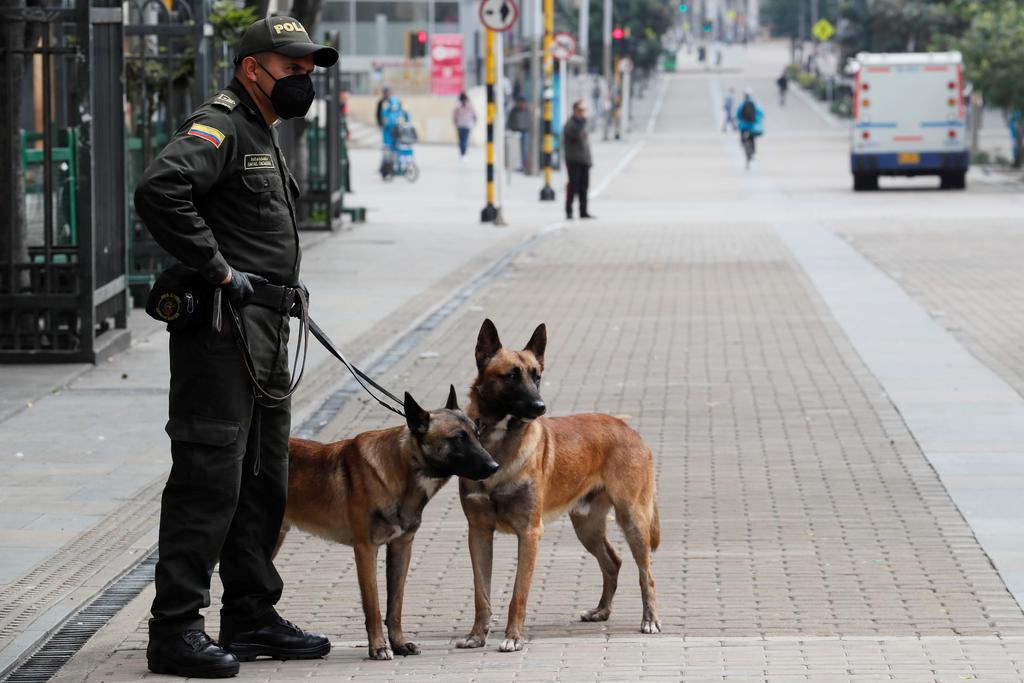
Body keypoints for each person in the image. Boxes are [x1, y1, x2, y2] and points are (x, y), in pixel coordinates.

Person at [133, 16, 337, 678]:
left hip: (266, 330)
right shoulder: (219, 125)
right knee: (208, 477)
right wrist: (216, 268)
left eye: (308, 71)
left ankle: (249, 614)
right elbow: (160, 189)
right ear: (254, 68)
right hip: (221, 334)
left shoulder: (263, 131)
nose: (303, 81)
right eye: (293, 68)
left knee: (263, 479)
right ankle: (175, 629)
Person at [562, 100, 594, 220]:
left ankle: (583, 211)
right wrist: (583, 122)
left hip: (584, 160)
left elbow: (586, 144)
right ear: (575, 110)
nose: (583, 113)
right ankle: (569, 211)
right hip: (574, 160)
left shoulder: (583, 124)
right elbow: (575, 133)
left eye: (584, 110)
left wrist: (589, 160)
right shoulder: (570, 124)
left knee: (584, 187)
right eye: (581, 110)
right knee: (573, 186)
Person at [736, 88, 764, 160]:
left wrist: (740, 120)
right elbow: (760, 113)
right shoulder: (755, 103)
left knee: (742, 134)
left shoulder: (742, 104)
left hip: (744, 124)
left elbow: (738, 114)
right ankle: (753, 151)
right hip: (753, 124)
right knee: (752, 138)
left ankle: (743, 143)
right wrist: (758, 120)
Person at [507, 97, 530, 172]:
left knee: (524, 149)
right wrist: (512, 129)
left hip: (525, 132)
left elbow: (528, 121)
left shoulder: (527, 110)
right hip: (515, 133)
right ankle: (518, 165)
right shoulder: (514, 110)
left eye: (523, 103)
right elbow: (509, 121)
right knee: (516, 150)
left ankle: (524, 165)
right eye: (520, 103)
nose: (521, 105)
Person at [452, 92, 476, 158]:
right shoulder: (470, 105)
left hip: (460, 125)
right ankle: (464, 153)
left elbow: (454, 116)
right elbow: (474, 115)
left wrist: (455, 123)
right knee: (465, 139)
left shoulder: (457, 105)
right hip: (467, 125)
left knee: (461, 140)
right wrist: (474, 122)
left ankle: (462, 153)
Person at [339, 89, 352, 192]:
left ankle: (347, 187)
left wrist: (347, 131)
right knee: (345, 162)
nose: (346, 99)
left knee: (346, 162)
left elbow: (344, 120)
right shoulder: (339, 106)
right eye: (345, 97)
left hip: (341, 136)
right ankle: (345, 187)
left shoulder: (343, 105)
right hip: (338, 139)